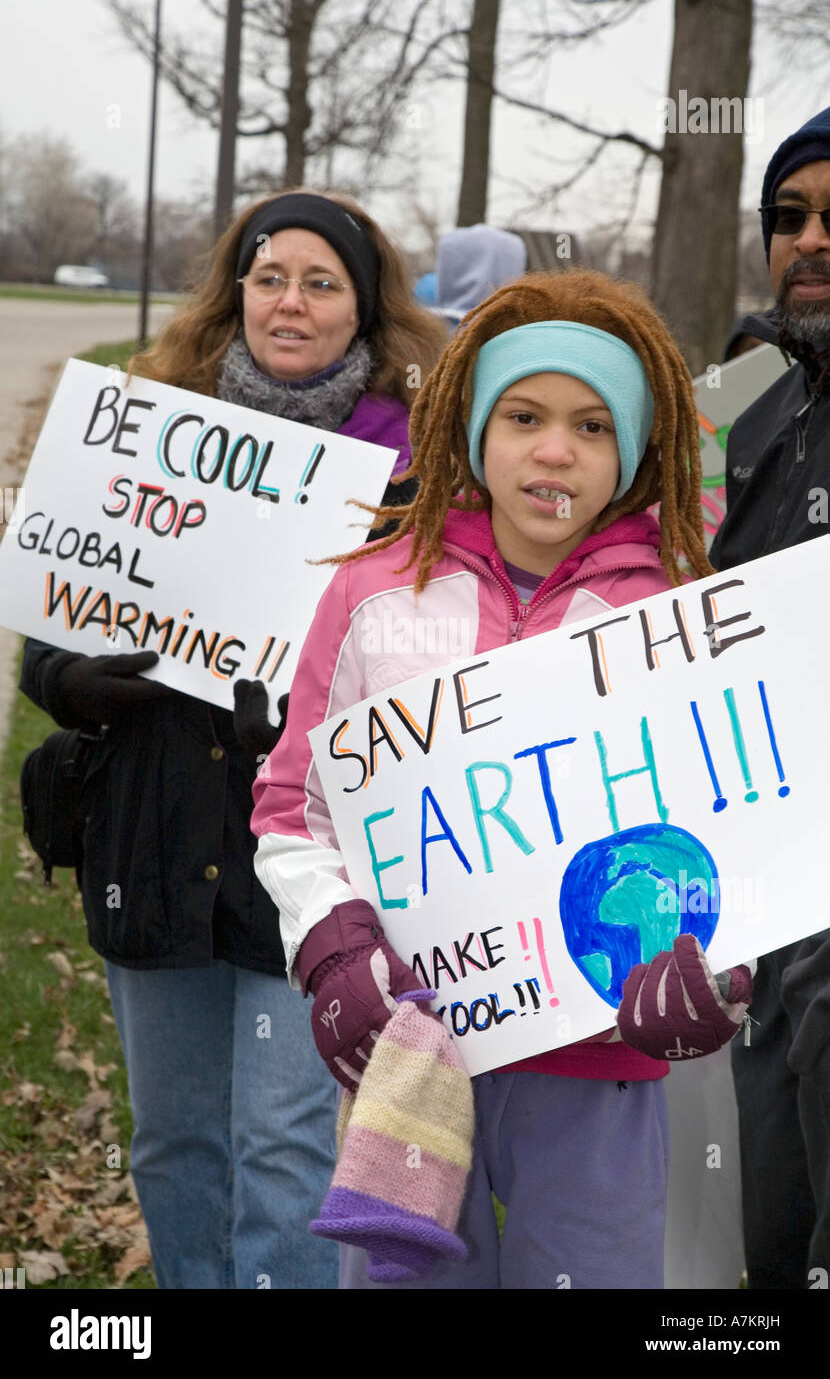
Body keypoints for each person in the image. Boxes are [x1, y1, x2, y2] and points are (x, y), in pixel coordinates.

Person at [251, 268, 752, 1289]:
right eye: (522, 415)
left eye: (592, 425)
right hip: (414, 1053)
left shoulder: (681, 613)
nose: (554, 450)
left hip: (599, 1059)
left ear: (634, 453)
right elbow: (293, 806)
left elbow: (740, 836)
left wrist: (720, 978)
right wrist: (332, 949)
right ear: (472, 428)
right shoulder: (374, 592)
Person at [19, 189, 447, 1289]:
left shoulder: (417, 476)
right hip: (151, 843)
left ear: (363, 310)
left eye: (319, 283)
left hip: (304, 860)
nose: (289, 303)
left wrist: (317, 709)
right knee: (172, 1139)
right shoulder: (149, 430)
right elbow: (43, 656)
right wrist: (81, 682)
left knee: (287, 1142)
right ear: (236, 292)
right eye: (268, 278)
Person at [710, 105, 830, 1290]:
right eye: (788, 217)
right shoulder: (755, 415)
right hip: (767, 910)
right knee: (771, 1245)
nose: (807, 239)